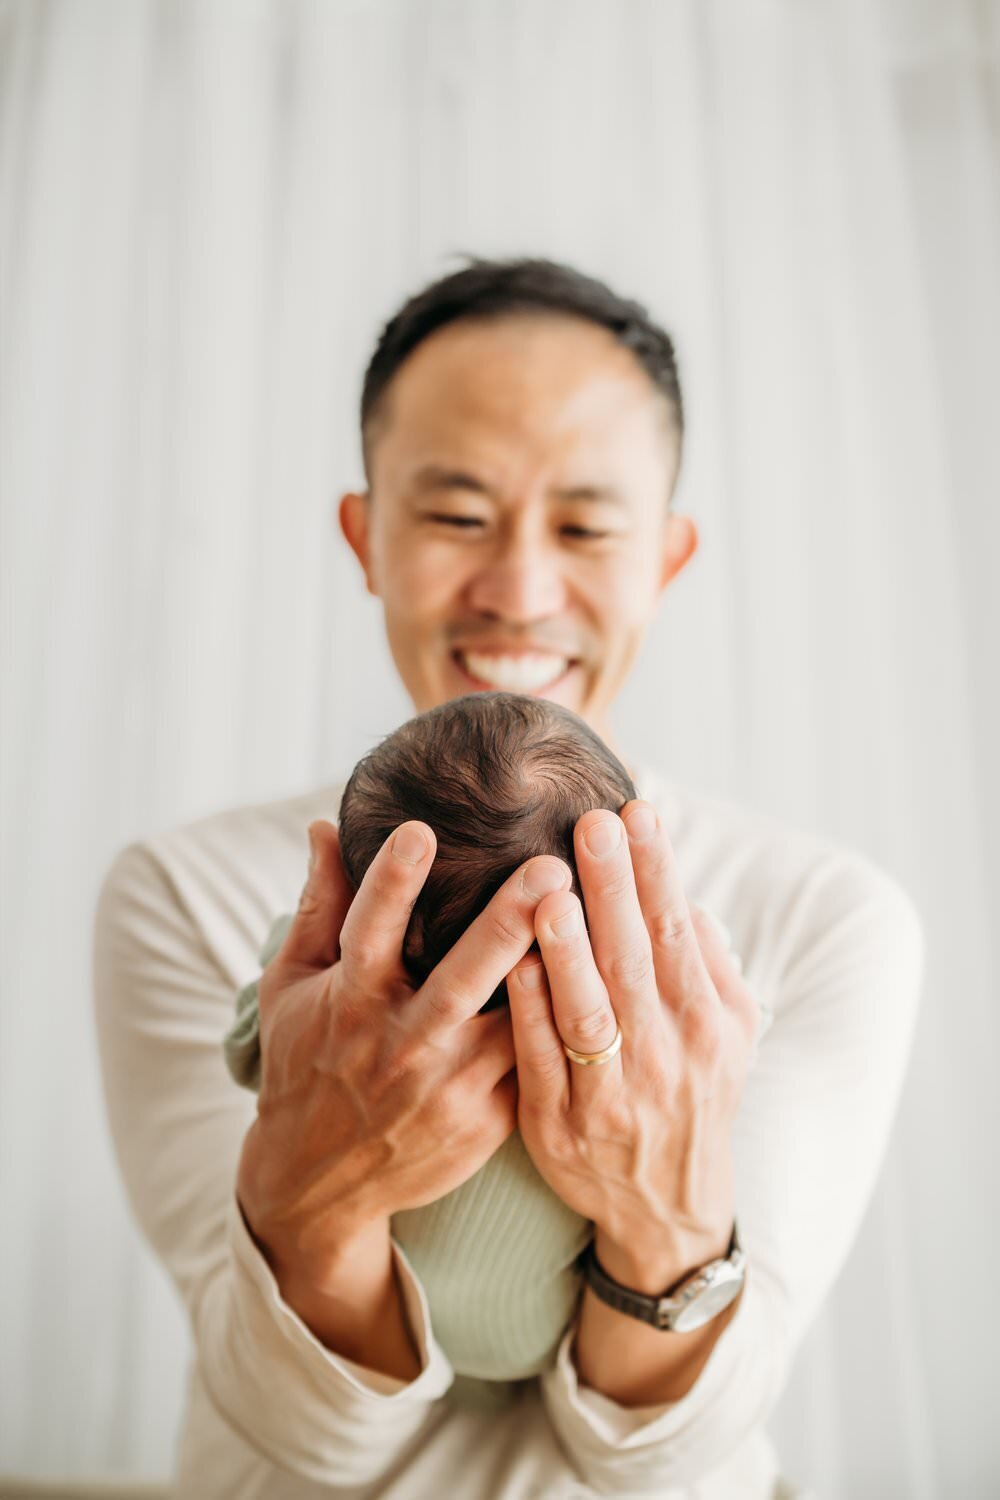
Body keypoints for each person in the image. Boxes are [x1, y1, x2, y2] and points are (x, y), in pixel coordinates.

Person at [93, 256, 923, 1499]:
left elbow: (667, 1454)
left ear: (666, 556)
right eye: (456, 514)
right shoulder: (188, 891)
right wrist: (315, 1196)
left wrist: (665, 1204)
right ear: (366, 535)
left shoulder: (819, 915)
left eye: (587, 526)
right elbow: (298, 1428)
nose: (523, 591)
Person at [222, 689, 774, 1398]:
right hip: (585, 1333)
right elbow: (734, 1039)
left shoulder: (327, 990)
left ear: (370, 904)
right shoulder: (674, 980)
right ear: (623, 887)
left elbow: (247, 1053)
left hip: (387, 1334)